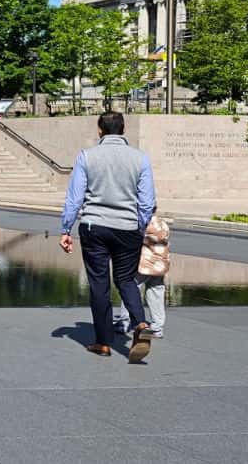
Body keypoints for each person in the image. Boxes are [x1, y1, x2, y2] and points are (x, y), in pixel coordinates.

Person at [59, 111, 156, 362]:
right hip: (127, 228)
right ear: (123, 130)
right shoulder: (140, 158)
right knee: (125, 279)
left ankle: (102, 343)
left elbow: (75, 198)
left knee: (99, 283)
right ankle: (141, 323)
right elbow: (147, 202)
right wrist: (140, 226)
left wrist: (65, 229)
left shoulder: (87, 157)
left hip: (95, 227)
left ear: (99, 130)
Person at [114, 208, 170, 339]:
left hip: (143, 265)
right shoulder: (162, 224)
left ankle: (125, 322)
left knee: (130, 290)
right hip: (159, 266)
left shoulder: (142, 224)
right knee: (156, 293)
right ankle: (157, 327)